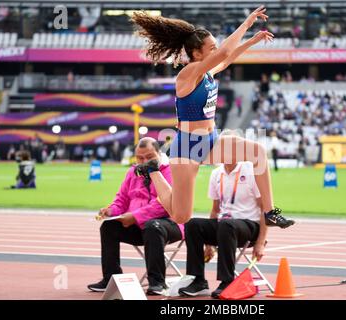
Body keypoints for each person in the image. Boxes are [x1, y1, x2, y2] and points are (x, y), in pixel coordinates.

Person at [130, 6, 293, 229]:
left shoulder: (207, 73)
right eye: (212, 48)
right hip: (187, 146)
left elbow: (226, 60)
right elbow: (224, 54)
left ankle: (269, 212)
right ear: (197, 54)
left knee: (258, 152)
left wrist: (251, 41)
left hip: (210, 140)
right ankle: (152, 170)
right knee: (181, 217)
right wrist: (247, 24)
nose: (216, 50)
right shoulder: (187, 74)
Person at [179, 156, 294, 298]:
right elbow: (215, 210)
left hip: (250, 226)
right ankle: (198, 280)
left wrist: (260, 242)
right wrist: (209, 244)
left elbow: (264, 208)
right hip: (225, 226)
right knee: (192, 224)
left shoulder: (251, 171)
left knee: (226, 225)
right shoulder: (216, 173)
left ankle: (227, 281)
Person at [87, 137, 183, 295]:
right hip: (140, 226)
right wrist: (111, 211)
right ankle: (111, 278)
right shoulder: (132, 171)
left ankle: (157, 282)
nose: (144, 161)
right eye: (140, 157)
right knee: (109, 226)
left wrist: (134, 216)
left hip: (170, 224)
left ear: (159, 153)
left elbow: (163, 205)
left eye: (149, 157)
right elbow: (122, 199)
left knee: (153, 226)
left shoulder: (171, 170)